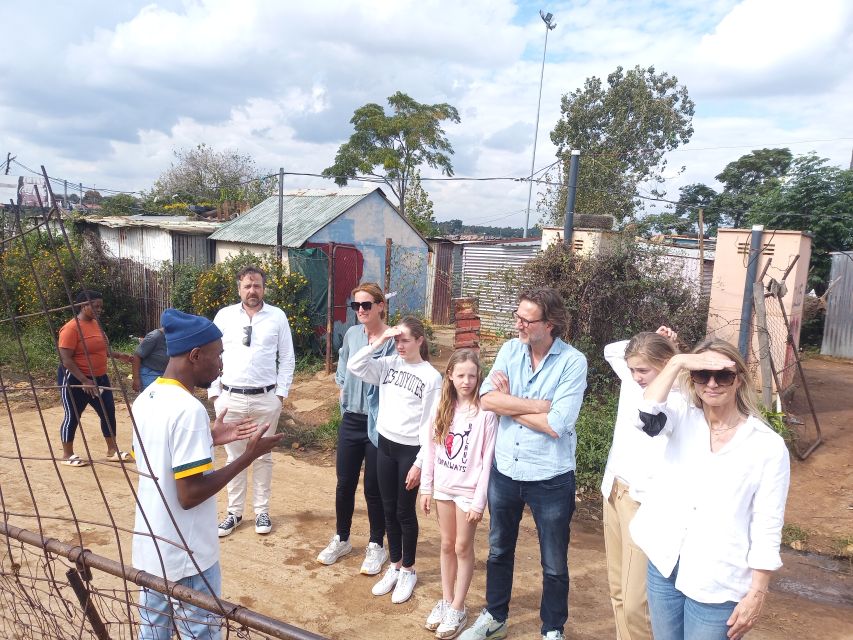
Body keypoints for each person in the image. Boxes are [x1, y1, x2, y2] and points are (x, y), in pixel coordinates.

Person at [132, 308, 284, 640]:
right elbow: (189, 495)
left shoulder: (146, 399)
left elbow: (155, 459)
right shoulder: (188, 410)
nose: (222, 366)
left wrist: (208, 439)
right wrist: (249, 456)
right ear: (195, 355)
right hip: (187, 556)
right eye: (218, 357)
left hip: (149, 548)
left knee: (152, 633)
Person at [629, 338, 790, 640]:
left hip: (719, 578)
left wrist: (757, 593)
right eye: (703, 375)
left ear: (739, 380)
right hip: (666, 562)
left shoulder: (767, 446)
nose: (712, 384)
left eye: (723, 375)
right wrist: (678, 362)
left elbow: (768, 523)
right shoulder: (680, 416)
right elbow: (645, 415)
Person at [461, 287, 587, 640]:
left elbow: (557, 425)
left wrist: (509, 403)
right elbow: (485, 400)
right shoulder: (509, 350)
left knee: (554, 562)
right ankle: (495, 617)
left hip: (550, 476)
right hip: (505, 471)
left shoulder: (573, 362)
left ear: (549, 324)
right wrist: (538, 405)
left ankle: (552, 629)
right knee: (499, 548)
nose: (517, 324)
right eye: (517, 316)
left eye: (525, 319)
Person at [347, 316, 442, 604]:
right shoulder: (388, 364)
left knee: (404, 512)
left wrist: (420, 463)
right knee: (388, 510)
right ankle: (396, 564)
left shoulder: (431, 377)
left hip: (409, 451)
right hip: (384, 444)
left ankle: (409, 570)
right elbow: (355, 366)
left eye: (405, 340)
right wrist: (383, 339)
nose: (400, 345)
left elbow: (432, 425)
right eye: (397, 340)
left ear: (420, 341)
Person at [601, 327, 679, 640]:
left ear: (666, 364)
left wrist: (674, 359)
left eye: (643, 370)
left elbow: (650, 420)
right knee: (618, 591)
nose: (635, 376)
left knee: (637, 604)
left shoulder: (680, 397)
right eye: (632, 369)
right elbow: (611, 349)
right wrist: (652, 333)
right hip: (614, 490)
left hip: (642, 502)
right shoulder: (632, 381)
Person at [209, 265, 295, 537]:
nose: (252, 290)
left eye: (257, 285)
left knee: (263, 456)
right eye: (247, 286)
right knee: (233, 456)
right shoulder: (224, 316)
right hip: (230, 398)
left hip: (265, 398)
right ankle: (233, 513)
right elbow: (212, 355)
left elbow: (287, 358)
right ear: (239, 288)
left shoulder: (277, 316)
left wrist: (280, 394)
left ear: (264, 288)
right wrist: (215, 393)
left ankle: (262, 512)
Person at [420, 349, 497, 639]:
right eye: (461, 375)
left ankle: (459, 606)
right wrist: (427, 487)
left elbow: (487, 459)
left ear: (479, 378)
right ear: (450, 375)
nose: (466, 381)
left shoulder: (485, 413)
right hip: (443, 488)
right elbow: (430, 451)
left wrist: (480, 501)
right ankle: (446, 599)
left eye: (472, 376)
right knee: (446, 544)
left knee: (463, 547)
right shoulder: (442, 408)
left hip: (468, 492)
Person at [317, 283, 392, 575]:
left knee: (374, 488)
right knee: (344, 483)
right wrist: (344, 397)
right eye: (355, 306)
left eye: (366, 305)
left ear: (380, 306)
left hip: (378, 422)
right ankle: (342, 538)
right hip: (351, 419)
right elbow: (343, 370)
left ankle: (377, 545)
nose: (360, 310)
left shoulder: (392, 338)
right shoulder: (351, 335)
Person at [58, 289, 134, 466]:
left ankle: (112, 450)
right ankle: (67, 454)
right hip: (75, 380)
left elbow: (100, 350)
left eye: (101, 306)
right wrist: (84, 380)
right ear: (84, 306)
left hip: (99, 378)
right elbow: (66, 359)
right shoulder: (71, 328)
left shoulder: (95, 324)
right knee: (73, 415)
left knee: (108, 412)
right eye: (96, 306)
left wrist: (119, 355)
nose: (100, 309)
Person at [132, 327, 168, 392]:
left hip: (165, 374)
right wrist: (136, 379)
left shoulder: (174, 337)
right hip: (150, 374)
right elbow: (137, 356)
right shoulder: (154, 336)